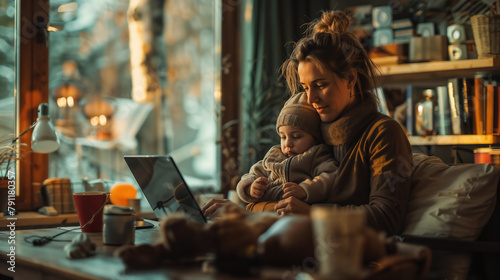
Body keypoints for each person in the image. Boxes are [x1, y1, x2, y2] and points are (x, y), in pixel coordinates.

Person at [205, 10, 413, 236]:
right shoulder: (310, 131)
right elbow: (271, 203)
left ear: (350, 79)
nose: (311, 99)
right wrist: (243, 212)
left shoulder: (383, 133)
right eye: (305, 87)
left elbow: (386, 217)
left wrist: (310, 212)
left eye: (320, 84)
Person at [236, 92, 338, 205]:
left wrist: (305, 190)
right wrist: (251, 187)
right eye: (283, 137)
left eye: (296, 136)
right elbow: (250, 175)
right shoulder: (274, 155)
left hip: (293, 214)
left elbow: (331, 175)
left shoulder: (316, 155)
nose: (287, 144)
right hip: (266, 212)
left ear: (315, 137)